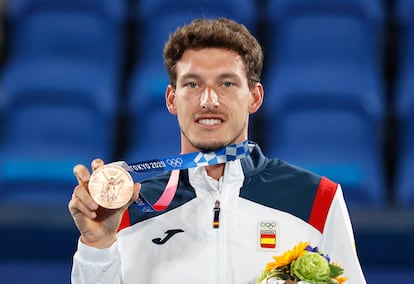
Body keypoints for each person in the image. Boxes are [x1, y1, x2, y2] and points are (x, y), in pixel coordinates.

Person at [69, 18, 366, 283]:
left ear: (254, 97)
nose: (208, 100)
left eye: (226, 83)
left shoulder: (316, 200)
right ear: (172, 99)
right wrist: (97, 245)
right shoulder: (127, 210)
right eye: (193, 84)